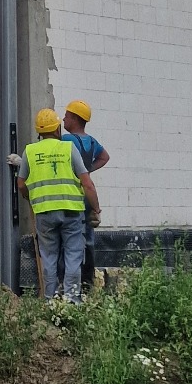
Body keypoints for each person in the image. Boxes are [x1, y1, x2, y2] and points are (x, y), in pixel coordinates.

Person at [15, 108, 99, 303]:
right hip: (72, 212)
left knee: (49, 257)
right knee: (72, 256)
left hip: (44, 213)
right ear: (57, 129)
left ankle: (50, 300)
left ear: (39, 130)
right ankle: (71, 300)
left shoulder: (30, 151)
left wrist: (30, 197)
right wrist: (95, 209)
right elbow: (87, 183)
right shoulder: (68, 149)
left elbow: (21, 183)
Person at [62, 100, 108, 288]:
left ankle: (69, 283)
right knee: (88, 240)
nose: (63, 119)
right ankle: (87, 281)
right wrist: (87, 170)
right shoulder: (91, 141)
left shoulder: (66, 140)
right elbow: (105, 157)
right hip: (87, 195)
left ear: (74, 118)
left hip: (73, 195)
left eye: (66, 116)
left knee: (70, 239)